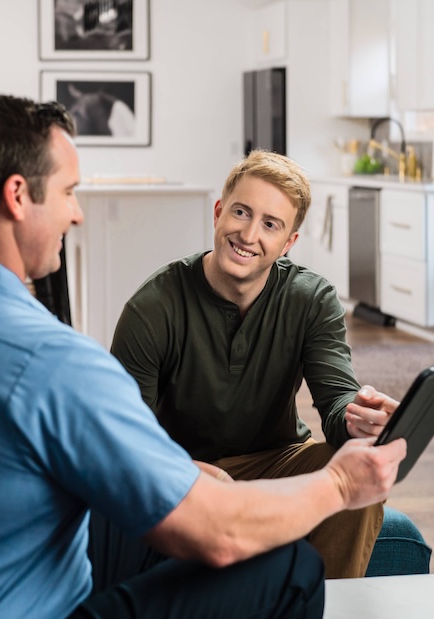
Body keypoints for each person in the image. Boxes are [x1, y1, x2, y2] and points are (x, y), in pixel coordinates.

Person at [0, 95, 406, 618]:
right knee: (289, 571)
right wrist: (337, 487)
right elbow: (220, 533)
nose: (76, 213)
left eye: (270, 224)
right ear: (18, 196)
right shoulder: (51, 357)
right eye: (70, 193)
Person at [109, 149, 401, 579]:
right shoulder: (153, 308)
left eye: (270, 224)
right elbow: (123, 438)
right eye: (241, 212)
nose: (248, 234)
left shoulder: (312, 300)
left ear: (289, 243)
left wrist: (360, 421)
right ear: (218, 212)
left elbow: (337, 401)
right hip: (185, 471)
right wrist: (186, 470)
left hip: (276, 462)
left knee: (358, 463)